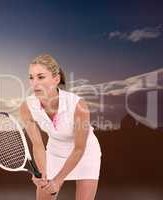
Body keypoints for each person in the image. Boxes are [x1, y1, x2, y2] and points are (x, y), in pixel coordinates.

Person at [19, 54, 102, 200]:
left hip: (85, 153)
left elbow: (79, 148)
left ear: (56, 79)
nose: (34, 83)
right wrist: (42, 172)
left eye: (41, 77)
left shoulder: (78, 105)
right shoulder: (27, 107)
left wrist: (58, 180)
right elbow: (38, 145)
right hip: (55, 151)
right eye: (31, 77)